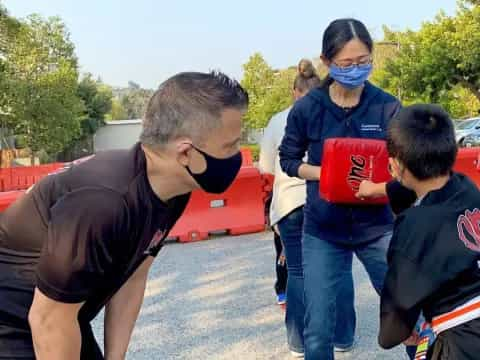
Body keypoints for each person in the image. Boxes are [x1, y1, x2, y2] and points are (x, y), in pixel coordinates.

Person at [0, 71, 249, 359]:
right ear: (185, 153)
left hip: (62, 314)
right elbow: (48, 321)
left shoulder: (172, 191)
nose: (236, 153)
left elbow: (132, 278)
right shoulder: (104, 202)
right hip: (14, 324)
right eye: (229, 146)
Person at [279, 18, 401, 360]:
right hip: (323, 231)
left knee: (406, 310)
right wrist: (327, 173)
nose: (356, 70)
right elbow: (288, 159)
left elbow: (406, 165)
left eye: (363, 62)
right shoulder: (308, 108)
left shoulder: (388, 107)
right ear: (327, 61)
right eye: (347, 64)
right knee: (317, 327)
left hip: (378, 227)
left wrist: (382, 184)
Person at [260, 59, 356, 358]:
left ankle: (298, 342)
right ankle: (342, 336)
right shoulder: (339, 116)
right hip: (333, 202)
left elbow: (266, 166)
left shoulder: (278, 120)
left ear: (294, 91)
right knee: (340, 270)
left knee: (299, 272)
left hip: (291, 205)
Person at [375, 104, 480, 359]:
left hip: (463, 339)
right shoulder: (466, 189)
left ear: (395, 165)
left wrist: (397, 330)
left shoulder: (414, 225)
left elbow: (394, 321)